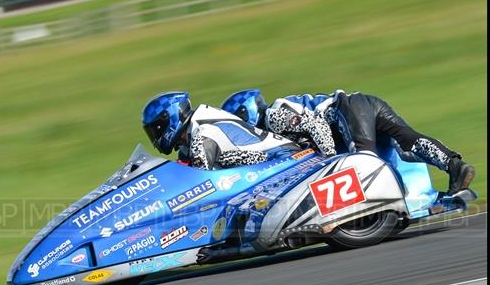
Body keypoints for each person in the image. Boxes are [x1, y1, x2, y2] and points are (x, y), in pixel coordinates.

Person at [221, 89, 475, 195]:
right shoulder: (279, 113)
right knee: (407, 144)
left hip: (348, 110)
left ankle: (391, 201)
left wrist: (328, 164)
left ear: (246, 114)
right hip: (365, 103)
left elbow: (317, 126)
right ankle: (455, 166)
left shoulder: (273, 117)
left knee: (363, 161)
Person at [141, 91, 299, 170]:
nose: (155, 137)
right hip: (268, 165)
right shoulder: (187, 143)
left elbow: (199, 178)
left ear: (169, 118)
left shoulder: (202, 133)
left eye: (156, 130)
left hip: (282, 159)